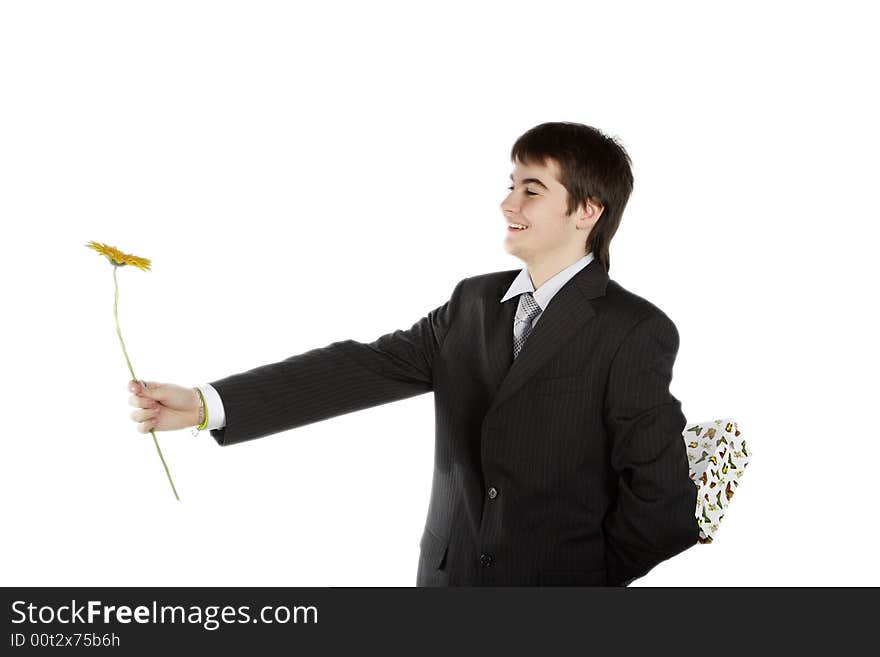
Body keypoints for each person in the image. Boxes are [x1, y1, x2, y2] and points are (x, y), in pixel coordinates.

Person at [127, 121, 700, 586]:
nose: (508, 202)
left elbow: (661, 503)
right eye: (510, 184)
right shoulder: (472, 303)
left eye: (532, 189)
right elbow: (360, 368)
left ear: (587, 212)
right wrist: (208, 404)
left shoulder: (634, 329)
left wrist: (586, 579)